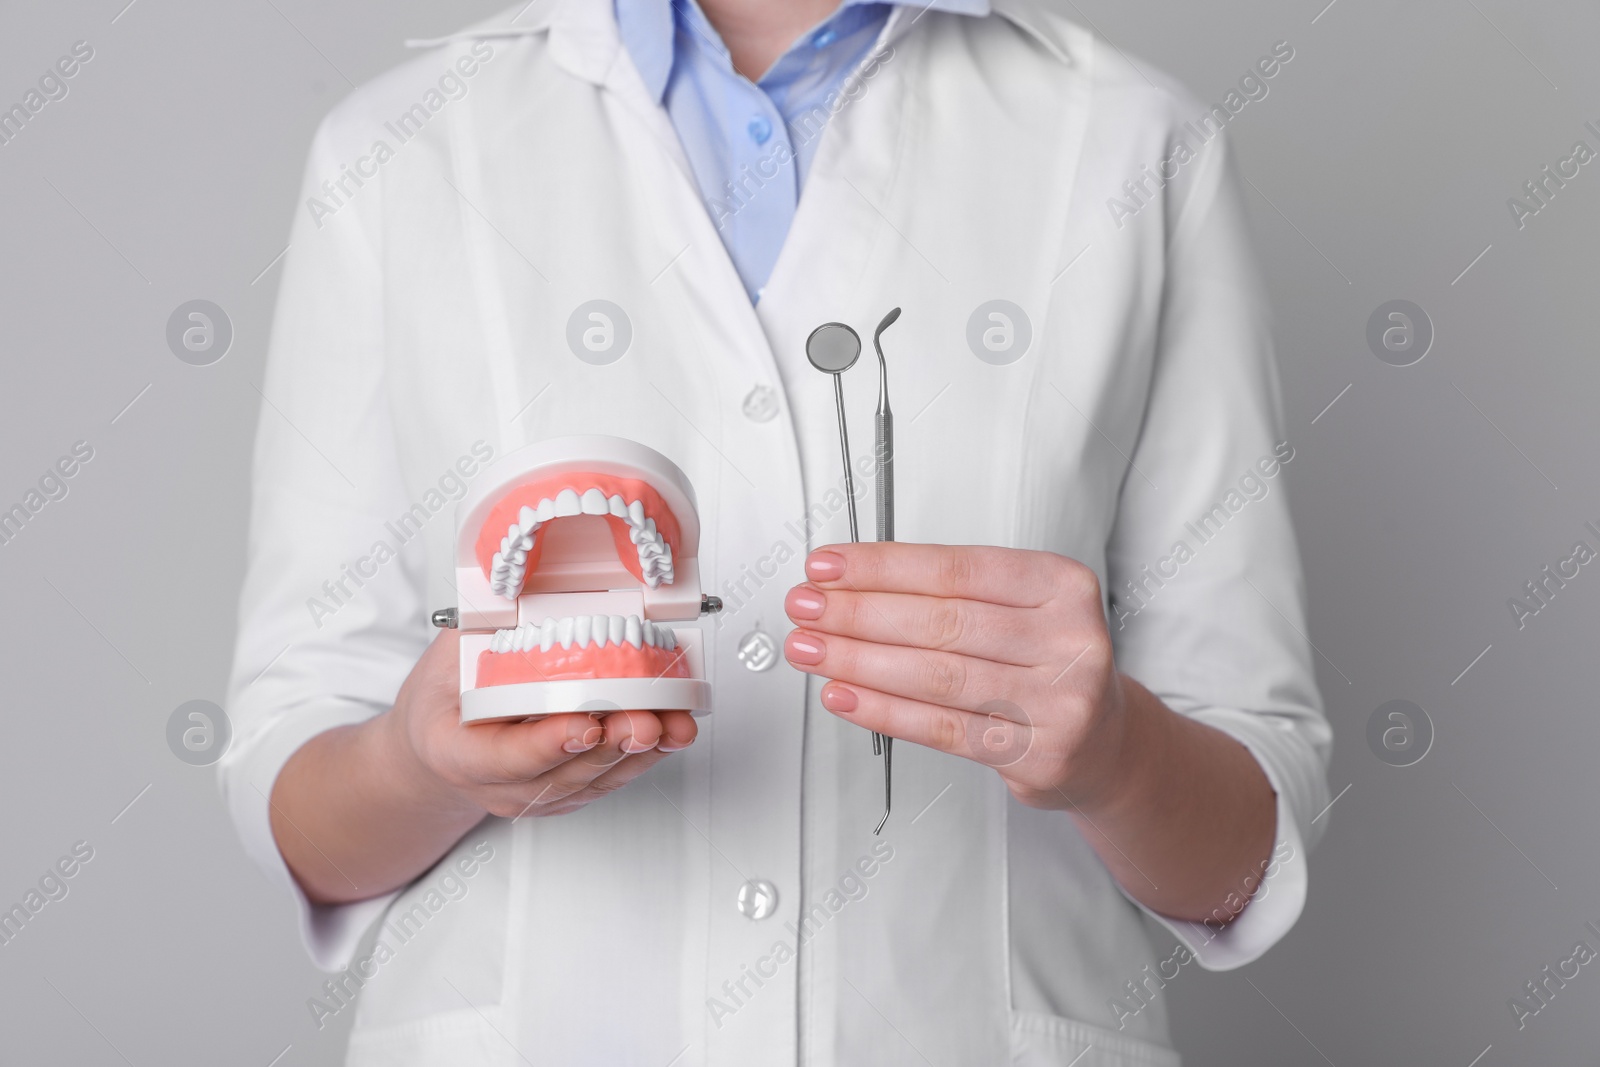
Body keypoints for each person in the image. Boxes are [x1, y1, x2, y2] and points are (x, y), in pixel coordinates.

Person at [219, 0, 1331, 1063]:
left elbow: (1242, 857)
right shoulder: (403, 148)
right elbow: (297, 778)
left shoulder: (1133, 142)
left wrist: (1116, 754)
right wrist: (426, 766)